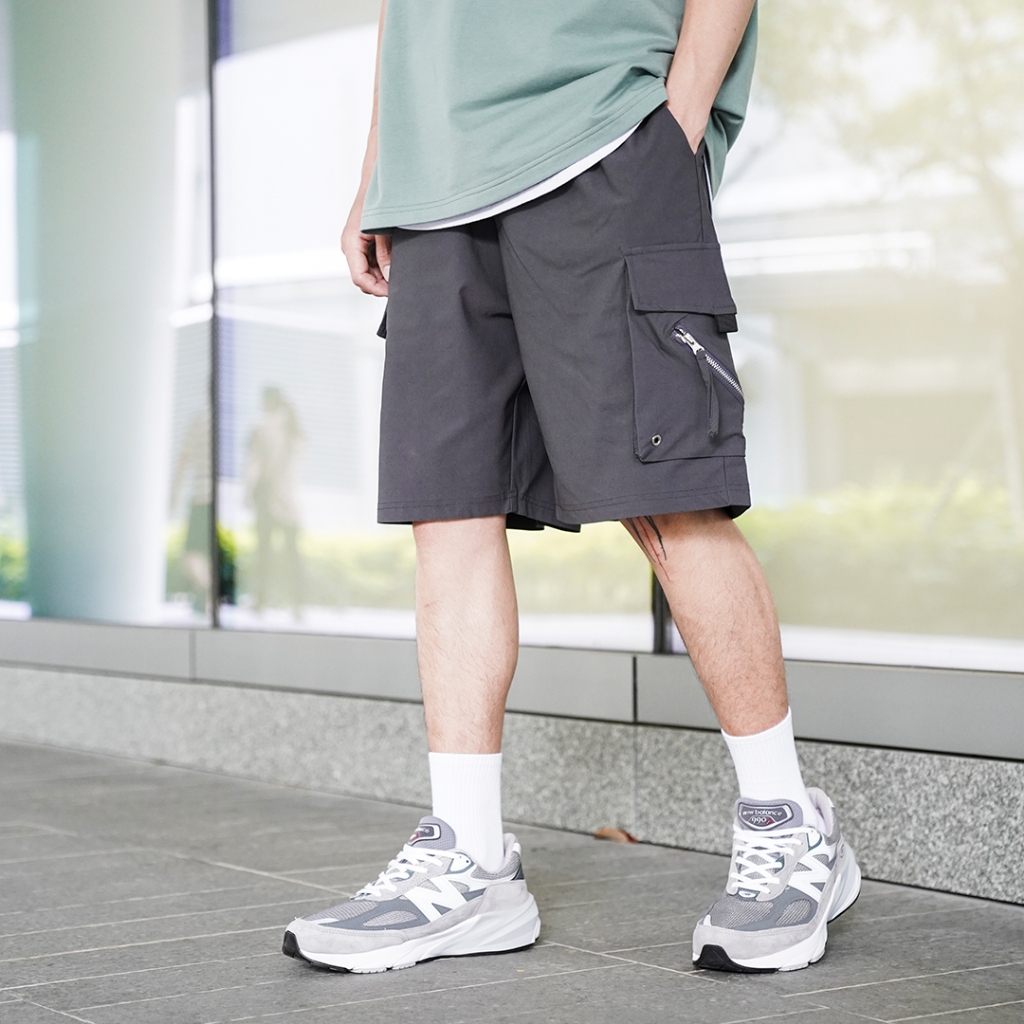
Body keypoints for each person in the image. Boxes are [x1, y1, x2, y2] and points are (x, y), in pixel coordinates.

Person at [283, 0, 860, 975]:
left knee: (669, 499)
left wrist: (674, 128)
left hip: (599, 136)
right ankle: (471, 863)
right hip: (434, 186)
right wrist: (381, 173)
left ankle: (788, 820)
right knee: (447, 511)